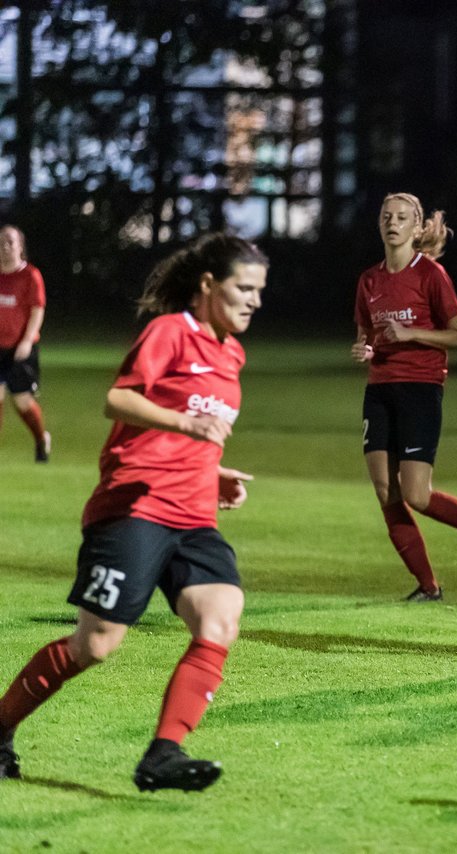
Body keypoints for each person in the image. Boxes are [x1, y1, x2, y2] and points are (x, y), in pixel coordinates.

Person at [0, 232, 267, 791]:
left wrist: (211, 471)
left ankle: (163, 755)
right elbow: (119, 399)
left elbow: (198, 427)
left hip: (193, 516)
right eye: (244, 288)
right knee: (95, 644)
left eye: (259, 291)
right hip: (135, 508)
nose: (254, 301)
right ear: (208, 285)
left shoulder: (231, 352)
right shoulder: (170, 332)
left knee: (220, 617)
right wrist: (186, 425)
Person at [352, 192, 457, 601]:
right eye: (386, 215)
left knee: (416, 494)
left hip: (421, 389)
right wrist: (365, 349)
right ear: (379, 224)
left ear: (416, 226)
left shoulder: (431, 274)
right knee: (384, 492)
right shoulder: (369, 280)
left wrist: (412, 334)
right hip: (379, 389)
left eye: (402, 217)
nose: (393, 222)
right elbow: (366, 335)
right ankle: (429, 587)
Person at [0, 225, 52, 462]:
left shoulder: (30, 275)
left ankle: (41, 439)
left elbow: (37, 310)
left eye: (10, 242)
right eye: (1, 242)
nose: (5, 247)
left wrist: (27, 341)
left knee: (22, 402)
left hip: (20, 348)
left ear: (20, 247)